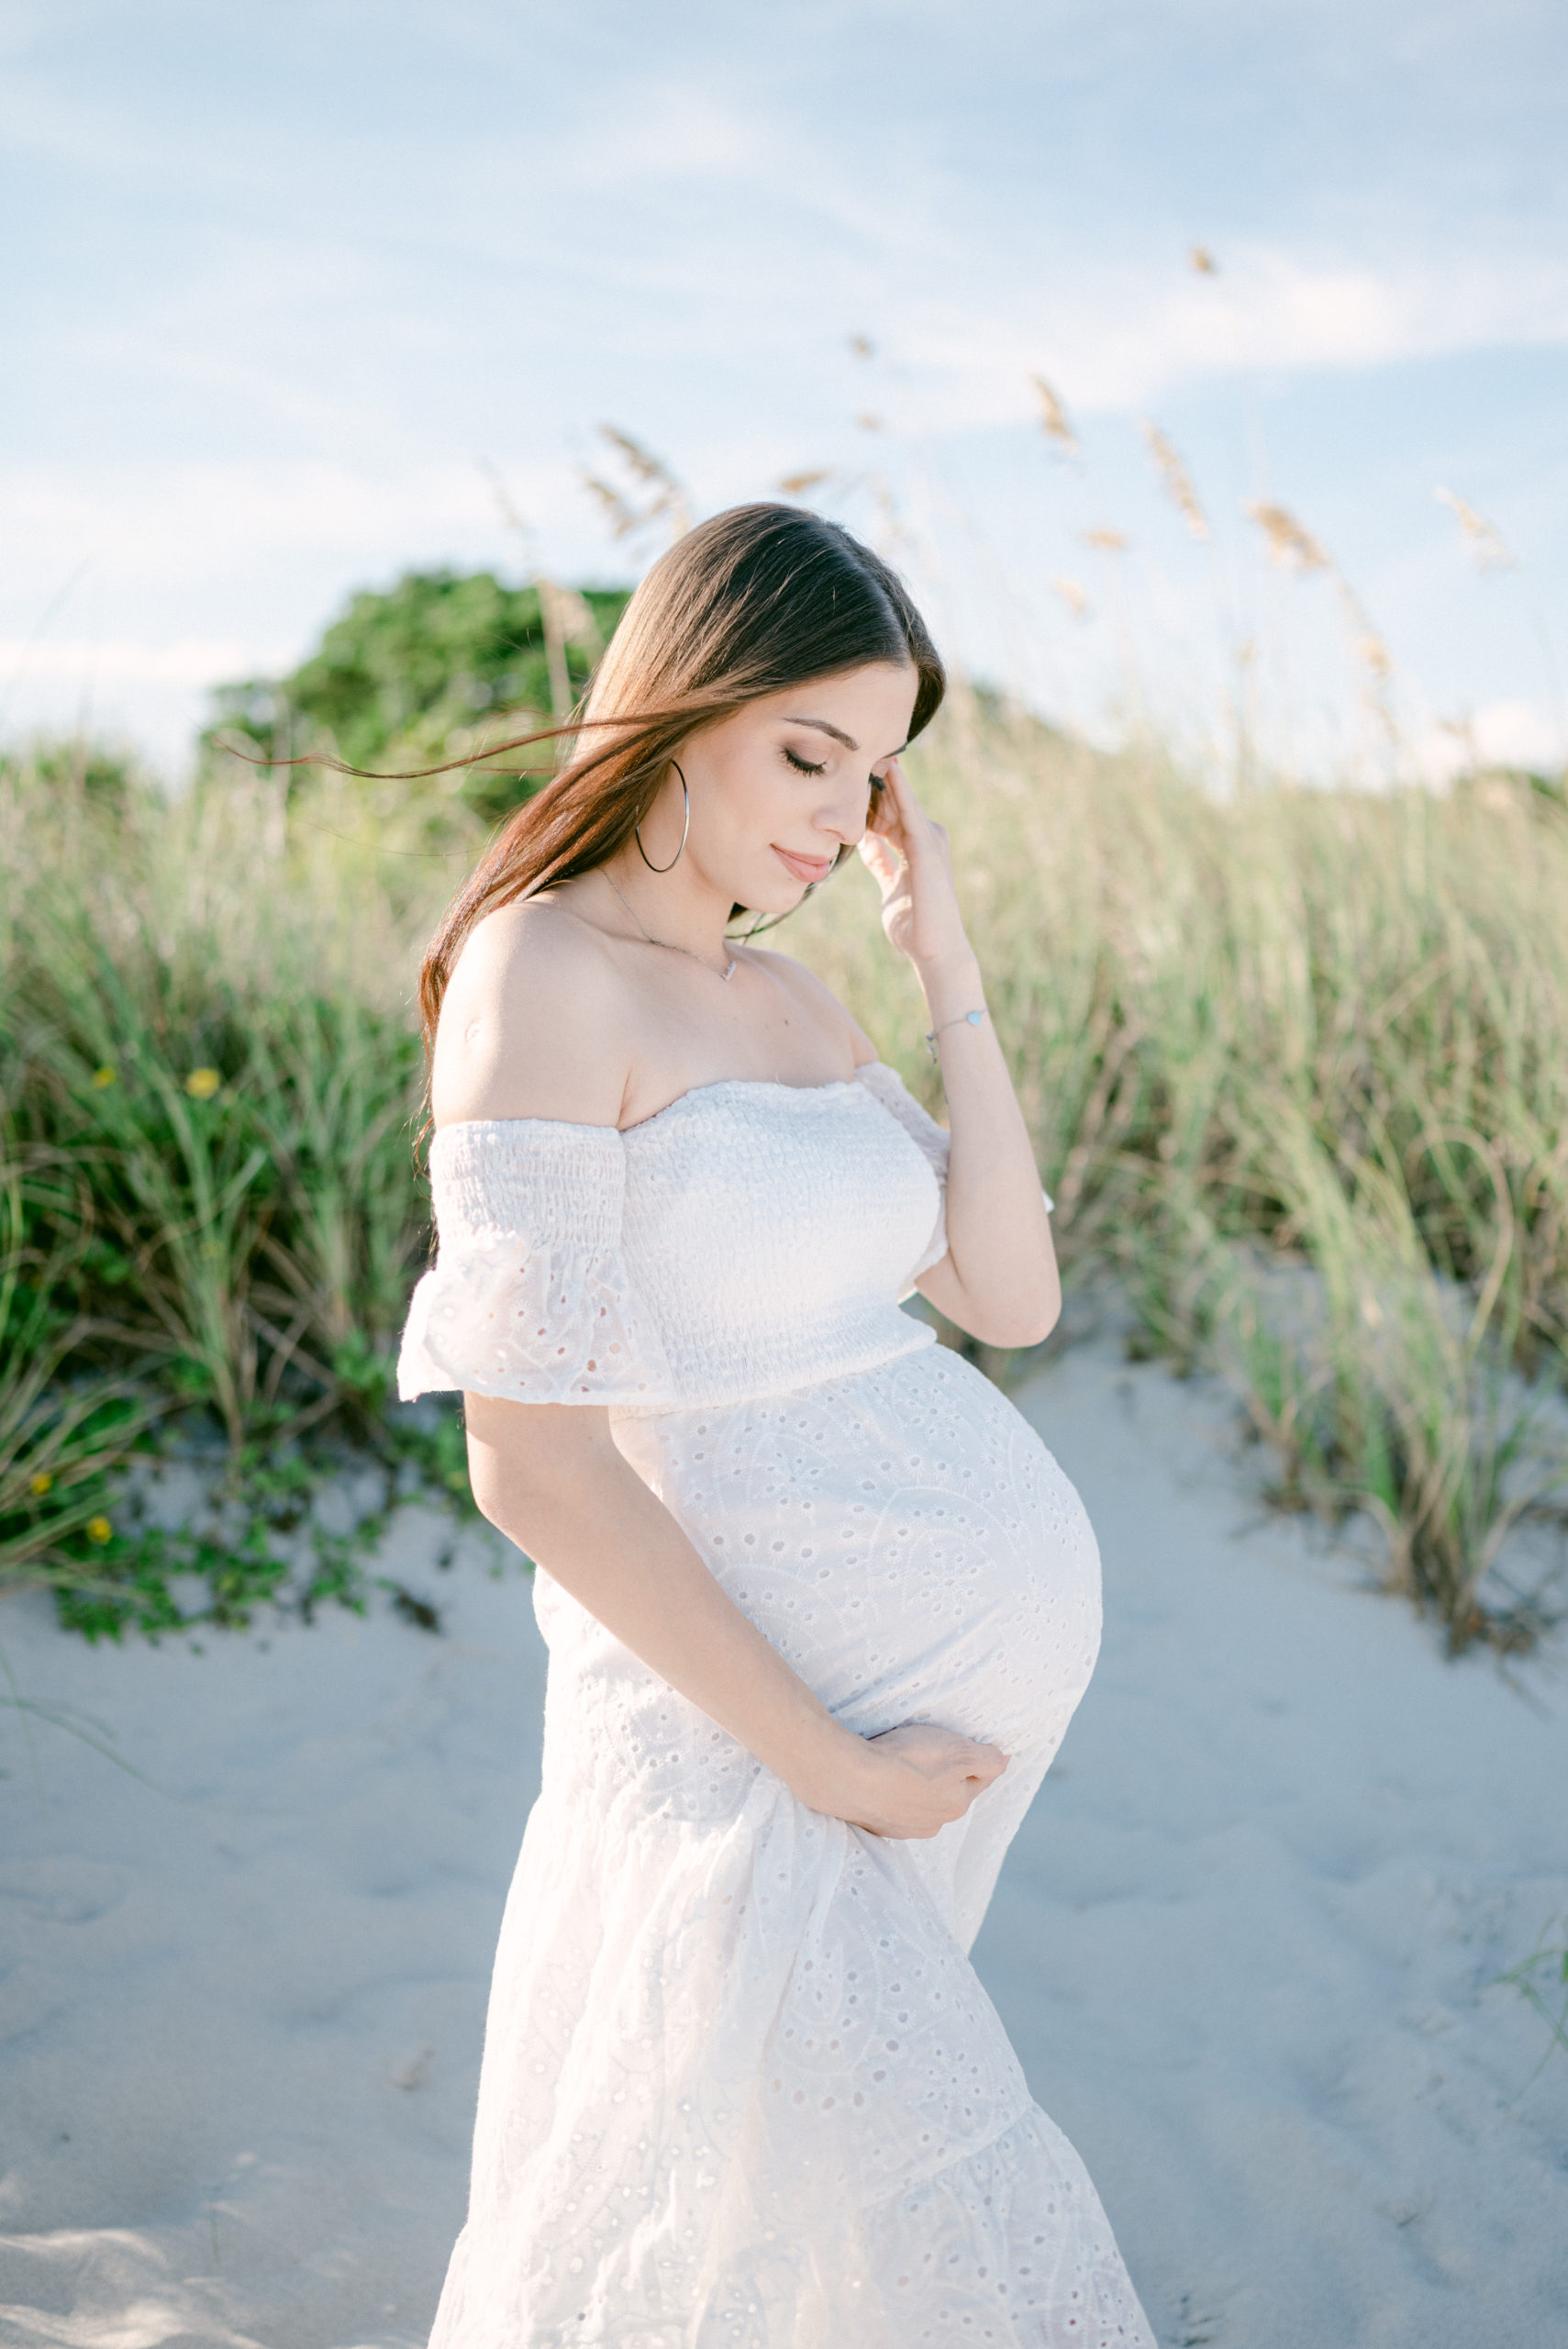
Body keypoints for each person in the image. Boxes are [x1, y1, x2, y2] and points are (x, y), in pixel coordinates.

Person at [397, 505, 1154, 2346]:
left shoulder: (799, 993)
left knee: (784, 2223)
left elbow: (1010, 1292)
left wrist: (942, 961)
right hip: (748, 1739)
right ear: (678, 703)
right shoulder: (546, 974)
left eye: (877, 774)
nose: (839, 812)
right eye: (809, 750)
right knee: (751, 2217)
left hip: (893, 1762)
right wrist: (828, 1760)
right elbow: (533, 1457)